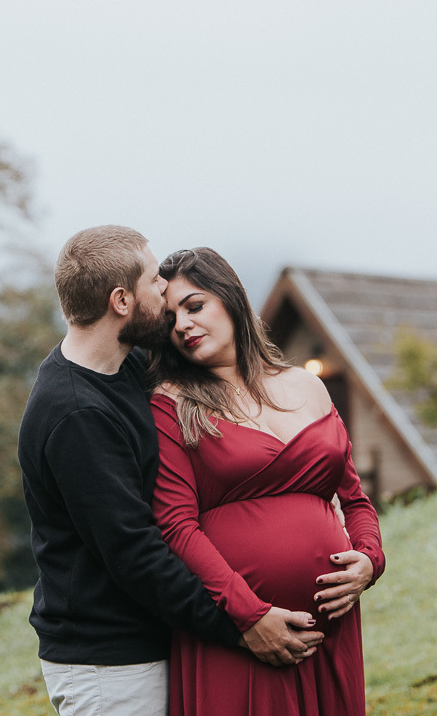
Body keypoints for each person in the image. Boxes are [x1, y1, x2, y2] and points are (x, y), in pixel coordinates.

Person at [18, 226, 326, 716]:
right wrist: (242, 626)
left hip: (162, 641)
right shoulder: (75, 415)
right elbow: (135, 554)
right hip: (112, 666)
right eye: (154, 281)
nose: (165, 289)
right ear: (121, 300)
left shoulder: (129, 366)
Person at [149, 247, 386, 716]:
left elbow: (354, 500)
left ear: (230, 298)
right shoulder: (171, 403)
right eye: (170, 319)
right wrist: (248, 616)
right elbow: (176, 527)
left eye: (194, 306)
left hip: (333, 629)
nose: (182, 325)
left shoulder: (308, 385)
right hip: (241, 636)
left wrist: (369, 561)